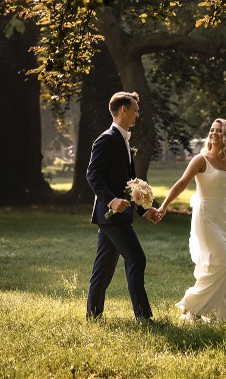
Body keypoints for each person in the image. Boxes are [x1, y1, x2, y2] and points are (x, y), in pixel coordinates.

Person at [157, 118, 226, 322]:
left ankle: (214, 313)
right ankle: (191, 305)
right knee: (220, 263)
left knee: (225, 264)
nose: (214, 133)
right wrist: (164, 206)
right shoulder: (200, 160)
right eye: (212, 130)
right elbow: (181, 183)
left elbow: (224, 185)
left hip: (222, 216)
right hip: (205, 216)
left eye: (219, 131)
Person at [86, 91, 159, 321]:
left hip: (117, 217)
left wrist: (145, 210)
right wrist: (111, 200)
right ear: (124, 109)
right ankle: (144, 317)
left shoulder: (124, 141)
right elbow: (92, 174)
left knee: (103, 270)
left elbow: (130, 185)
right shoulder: (107, 139)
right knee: (137, 259)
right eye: (135, 109)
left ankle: (93, 316)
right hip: (111, 215)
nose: (138, 114)